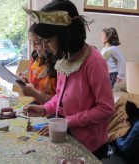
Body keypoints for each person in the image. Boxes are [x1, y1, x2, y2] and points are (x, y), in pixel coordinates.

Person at [23, 0, 115, 160]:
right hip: (67, 134)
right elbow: (60, 96)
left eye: (48, 41)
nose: (44, 47)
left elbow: (106, 109)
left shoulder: (93, 62)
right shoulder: (64, 59)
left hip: (90, 144)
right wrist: (45, 109)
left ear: (65, 35)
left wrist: (67, 121)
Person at [17, 24, 57, 105]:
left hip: (53, 110)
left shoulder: (60, 65)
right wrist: (25, 83)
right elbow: (36, 87)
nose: (33, 46)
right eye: (31, 42)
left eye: (37, 43)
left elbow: (61, 103)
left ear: (47, 41)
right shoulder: (37, 59)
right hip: (39, 104)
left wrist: (35, 93)